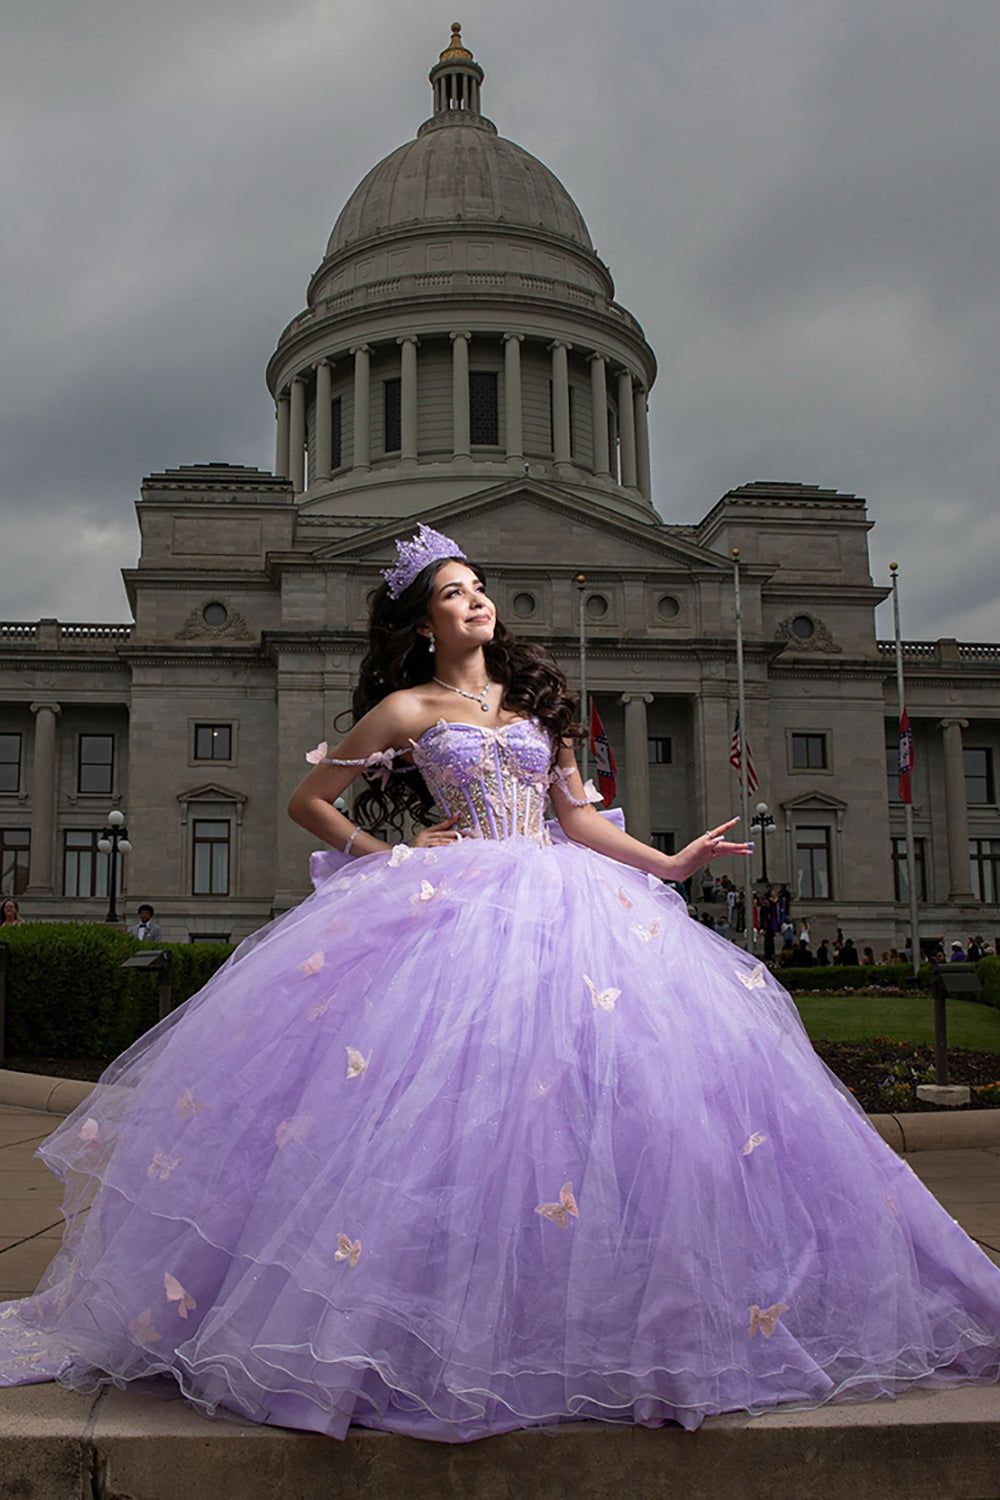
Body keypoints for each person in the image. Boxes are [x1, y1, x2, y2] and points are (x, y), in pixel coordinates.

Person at [2, 524, 1000, 1440]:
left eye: (479, 586)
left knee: (600, 1108)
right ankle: (421, 1324)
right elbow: (310, 800)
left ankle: (598, 1314)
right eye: (454, 590)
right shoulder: (405, 707)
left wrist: (664, 863)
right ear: (422, 618)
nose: (477, 601)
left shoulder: (533, 704)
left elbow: (575, 816)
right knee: (442, 1116)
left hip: (568, 907)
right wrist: (384, 857)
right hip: (452, 904)